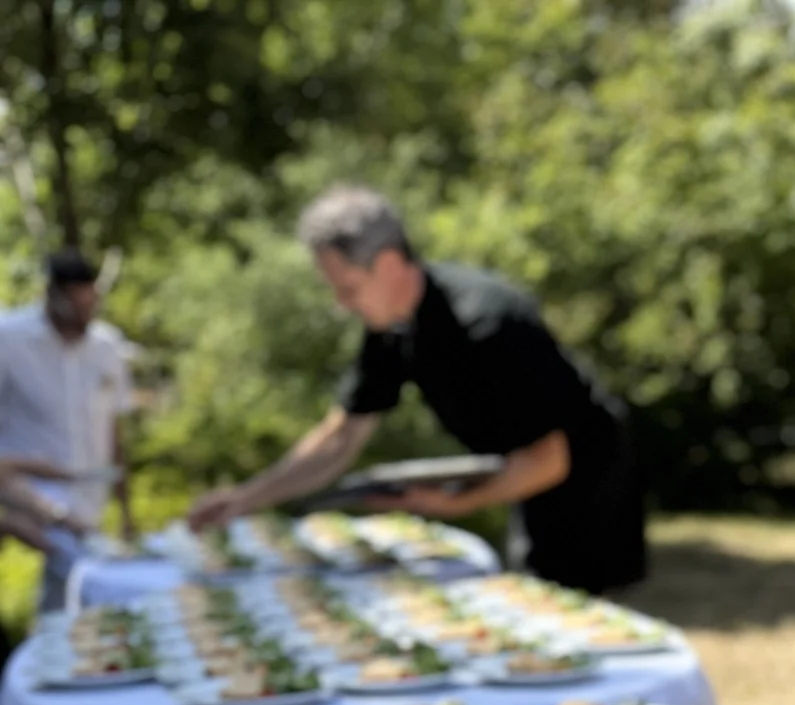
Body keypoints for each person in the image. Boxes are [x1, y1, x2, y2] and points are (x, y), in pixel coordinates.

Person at [189, 186, 647, 592]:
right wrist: (245, 499)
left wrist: (457, 503)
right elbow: (340, 437)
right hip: (528, 475)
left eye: (348, 289)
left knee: (566, 611)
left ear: (388, 265)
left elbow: (550, 458)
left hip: (588, 484)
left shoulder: (487, 324)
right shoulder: (393, 328)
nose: (342, 305)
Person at [0, 249, 135, 608]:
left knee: (80, 589)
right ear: (51, 295)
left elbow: (115, 428)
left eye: (90, 306)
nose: (83, 318)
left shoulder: (107, 346)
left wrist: (126, 510)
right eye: (74, 307)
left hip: (87, 497)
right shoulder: (9, 339)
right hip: (25, 492)